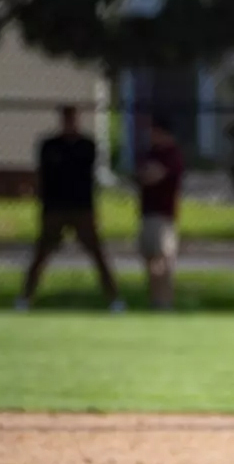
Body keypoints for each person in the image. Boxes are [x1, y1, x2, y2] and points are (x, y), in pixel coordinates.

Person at [16, 105, 124, 311]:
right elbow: (44, 176)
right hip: (55, 208)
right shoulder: (49, 146)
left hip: (81, 208)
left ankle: (114, 299)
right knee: (41, 254)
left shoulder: (86, 146)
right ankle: (25, 298)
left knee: (97, 253)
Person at [136, 114, 183, 310]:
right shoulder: (151, 153)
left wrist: (148, 174)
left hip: (163, 217)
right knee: (150, 260)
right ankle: (156, 301)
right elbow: (142, 174)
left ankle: (165, 303)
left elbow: (153, 176)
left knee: (163, 261)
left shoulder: (172, 154)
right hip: (147, 213)